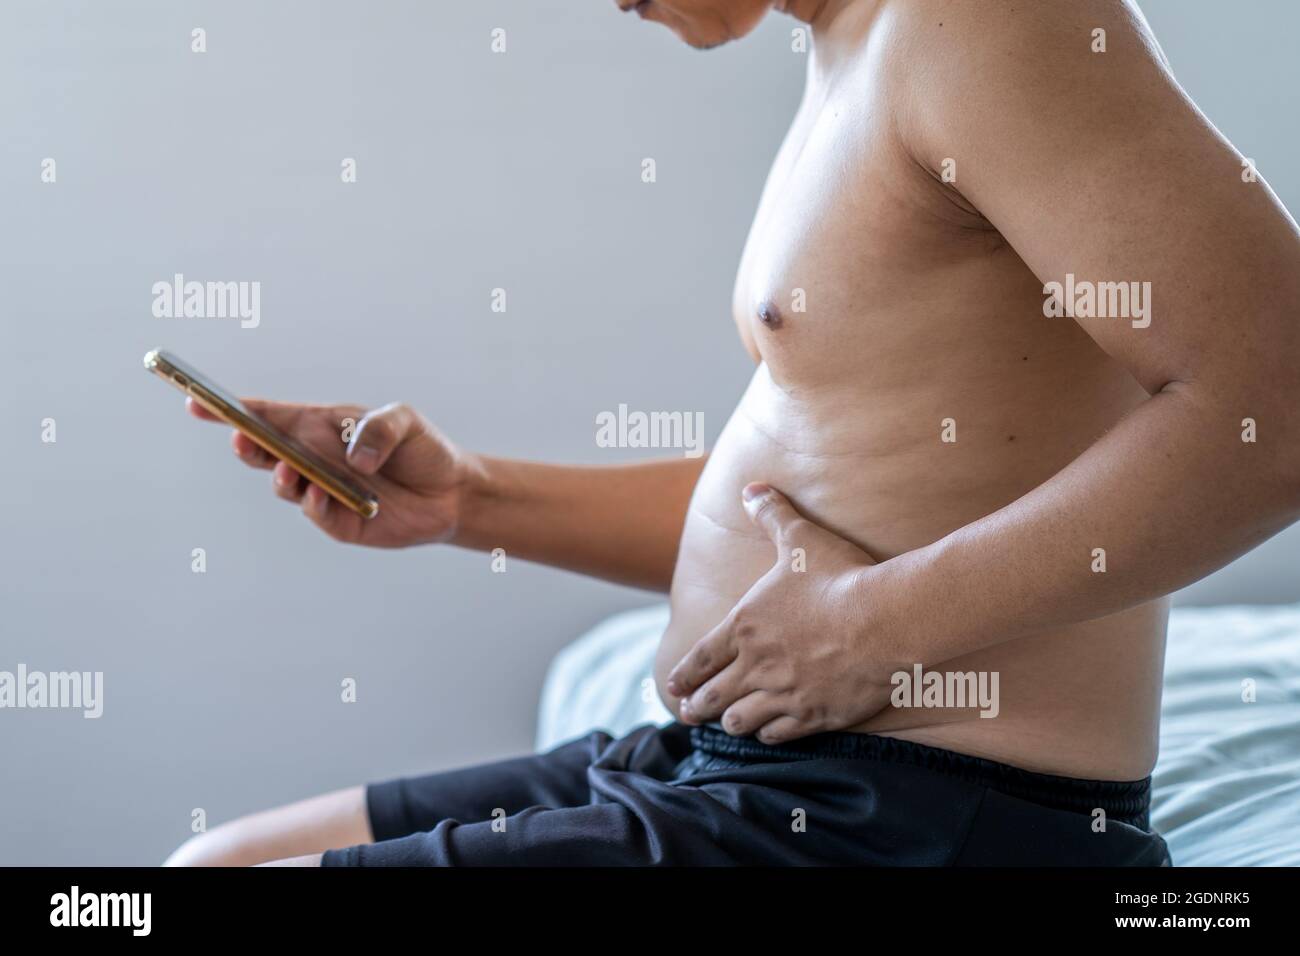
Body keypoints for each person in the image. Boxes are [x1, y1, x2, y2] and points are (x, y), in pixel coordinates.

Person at [165, 0, 1300, 866]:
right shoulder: (856, 49)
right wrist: (472, 499)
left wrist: (873, 625)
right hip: (749, 764)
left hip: (906, 815)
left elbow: (1276, 406)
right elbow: (845, 494)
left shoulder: (983, 20)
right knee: (213, 860)